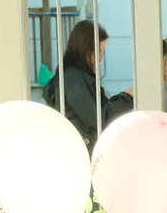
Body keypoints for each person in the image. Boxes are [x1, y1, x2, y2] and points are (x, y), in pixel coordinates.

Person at [43, 20, 132, 150]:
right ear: (86, 48)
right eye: (100, 50)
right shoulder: (74, 79)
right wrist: (127, 97)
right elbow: (98, 119)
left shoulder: (72, 76)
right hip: (83, 155)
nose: (101, 56)